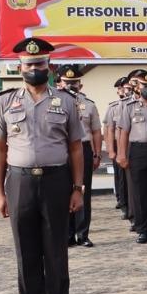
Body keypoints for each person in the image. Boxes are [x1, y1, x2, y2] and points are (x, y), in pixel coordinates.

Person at [0, 37, 84, 294]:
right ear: (19, 67)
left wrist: (77, 188)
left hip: (57, 182)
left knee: (56, 255)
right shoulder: (4, 102)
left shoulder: (67, 102)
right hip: (19, 184)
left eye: (40, 64)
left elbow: (74, 148)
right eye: (29, 65)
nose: (34, 68)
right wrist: (0, 193)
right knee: (26, 256)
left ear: (50, 67)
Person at [118, 70, 147, 244]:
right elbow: (123, 132)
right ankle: (143, 230)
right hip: (137, 151)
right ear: (138, 87)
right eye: (145, 86)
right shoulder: (129, 107)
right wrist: (121, 154)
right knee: (139, 192)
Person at [57, 66, 101, 247]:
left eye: (74, 83)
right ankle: (67, 234)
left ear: (80, 85)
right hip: (62, 149)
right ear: (59, 83)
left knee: (83, 190)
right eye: (67, 83)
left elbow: (97, 131)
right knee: (63, 192)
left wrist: (97, 153)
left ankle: (83, 234)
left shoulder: (89, 104)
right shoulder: (55, 103)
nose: (70, 86)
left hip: (83, 149)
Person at [105, 76, 130, 218]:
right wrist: (111, 149)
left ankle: (129, 204)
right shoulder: (114, 107)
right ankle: (123, 201)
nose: (124, 91)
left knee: (130, 179)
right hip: (118, 143)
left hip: (133, 145)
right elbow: (109, 129)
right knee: (120, 177)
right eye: (122, 88)